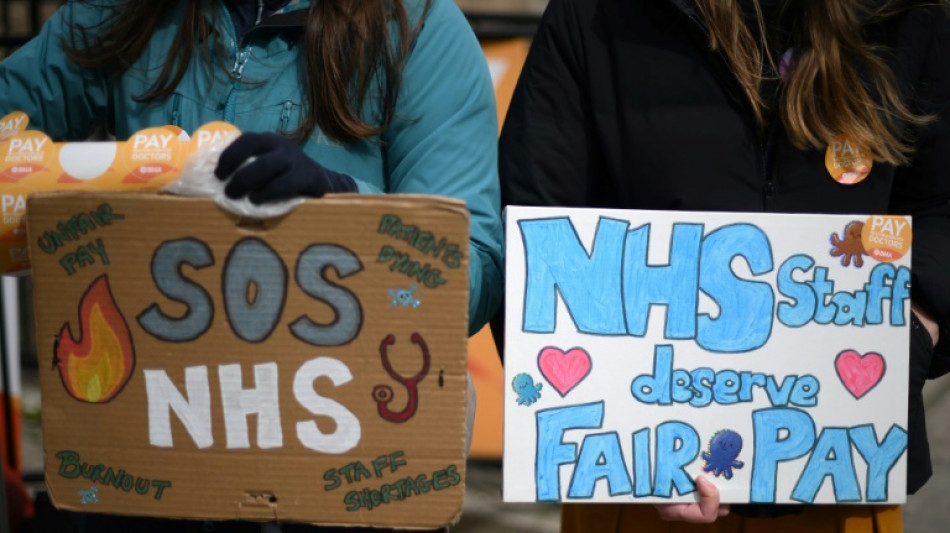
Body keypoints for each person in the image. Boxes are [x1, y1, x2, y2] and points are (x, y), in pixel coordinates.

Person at [0, 0, 502, 531]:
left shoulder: (419, 25)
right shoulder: (130, 10)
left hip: (339, 470)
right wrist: (108, 177)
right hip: (154, 455)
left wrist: (341, 203)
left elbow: (469, 273)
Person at [498, 0, 949, 531]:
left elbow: (942, 212)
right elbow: (535, 230)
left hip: (843, 479)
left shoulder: (911, 19)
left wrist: (916, 325)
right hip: (636, 490)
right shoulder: (593, 16)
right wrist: (623, 431)